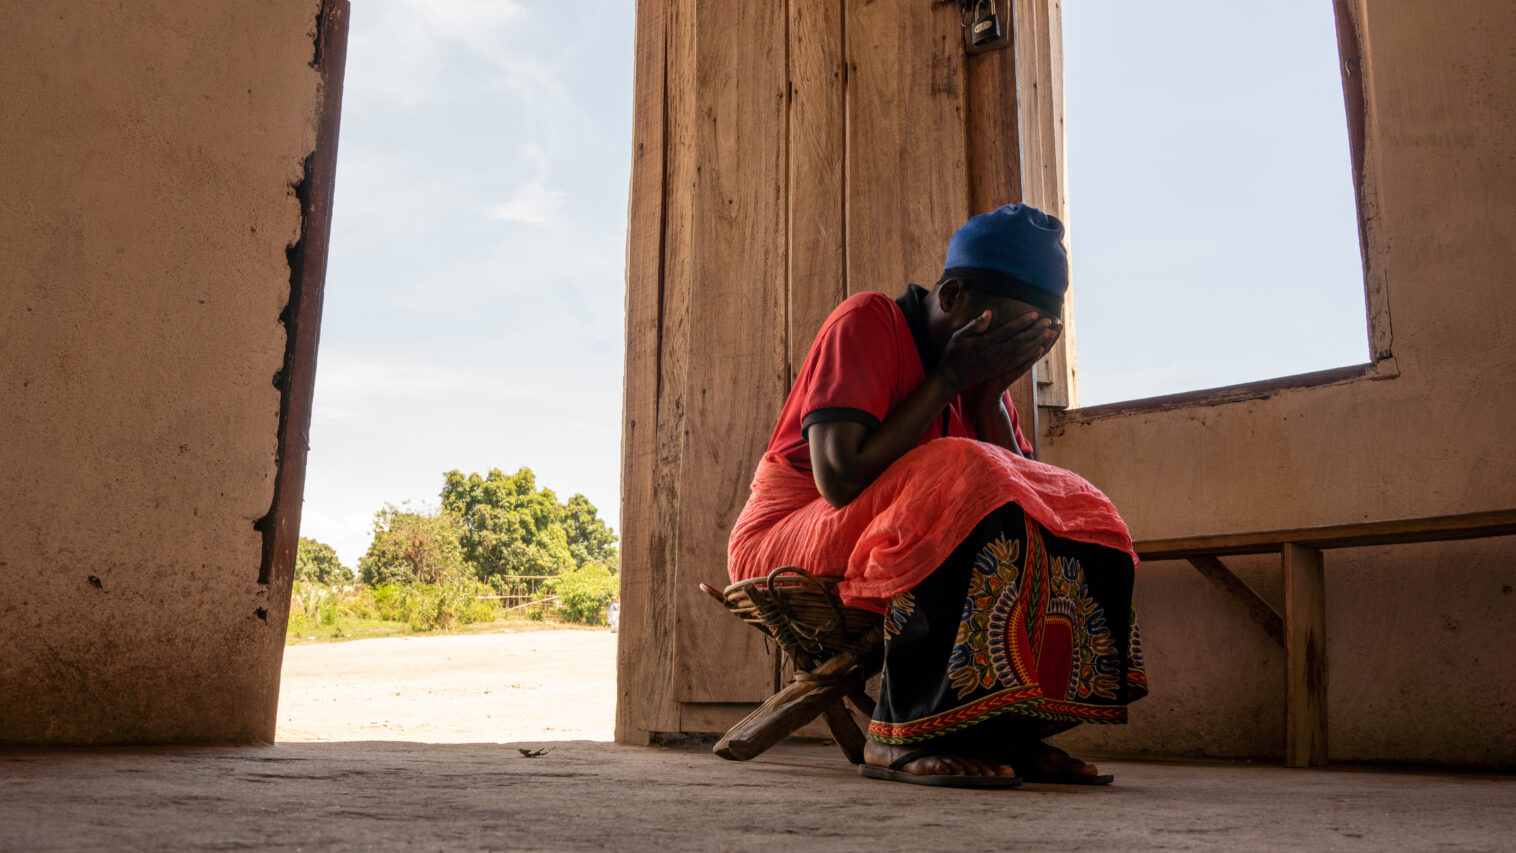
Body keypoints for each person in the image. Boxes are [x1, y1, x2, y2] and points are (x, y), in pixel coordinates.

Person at [727, 204, 1146, 788]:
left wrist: (986, 395)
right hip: (789, 530)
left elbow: (1032, 502)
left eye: (1025, 345)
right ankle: (902, 734)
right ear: (950, 296)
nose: (1003, 355)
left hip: (892, 522)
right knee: (962, 467)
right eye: (1000, 336)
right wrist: (947, 380)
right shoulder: (869, 321)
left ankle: (1011, 733)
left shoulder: (982, 384)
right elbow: (840, 479)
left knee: (1080, 506)